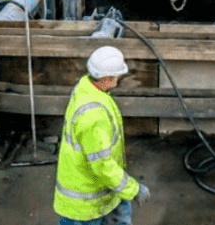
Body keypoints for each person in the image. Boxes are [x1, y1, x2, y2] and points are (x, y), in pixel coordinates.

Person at [53, 46, 150, 225]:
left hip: (93, 188)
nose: (119, 80)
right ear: (107, 79)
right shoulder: (94, 115)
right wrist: (133, 189)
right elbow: (102, 165)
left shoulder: (85, 89)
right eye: (117, 77)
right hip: (85, 203)